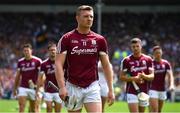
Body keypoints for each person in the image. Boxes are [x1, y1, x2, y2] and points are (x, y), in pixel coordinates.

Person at [55, 5, 115, 113]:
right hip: (72, 86)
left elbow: (106, 66)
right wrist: (62, 87)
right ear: (77, 18)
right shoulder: (66, 39)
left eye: (91, 17)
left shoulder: (100, 40)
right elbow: (58, 64)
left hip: (92, 86)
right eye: (86, 16)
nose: (89, 19)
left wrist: (111, 89)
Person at [119, 38, 154, 113]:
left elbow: (152, 76)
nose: (135, 48)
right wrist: (134, 78)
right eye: (133, 46)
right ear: (131, 47)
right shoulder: (126, 60)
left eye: (137, 46)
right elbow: (121, 77)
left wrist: (144, 76)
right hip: (131, 91)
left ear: (141, 46)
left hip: (144, 91)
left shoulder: (148, 59)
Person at [13, 43, 42, 113]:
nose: (26, 52)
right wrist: (14, 89)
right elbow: (18, 76)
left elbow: (42, 76)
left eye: (27, 50)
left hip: (34, 88)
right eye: (24, 51)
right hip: (23, 87)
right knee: (21, 107)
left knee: (34, 109)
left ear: (31, 51)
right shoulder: (20, 62)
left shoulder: (38, 61)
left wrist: (38, 87)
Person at [36, 42, 62, 113]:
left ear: (57, 50)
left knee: (58, 111)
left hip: (59, 90)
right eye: (51, 50)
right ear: (48, 51)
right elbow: (40, 77)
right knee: (49, 109)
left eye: (54, 50)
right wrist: (37, 90)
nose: (53, 51)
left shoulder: (61, 62)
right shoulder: (44, 64)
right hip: (48, 90)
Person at [149, 46, 175, 113]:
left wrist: (171, 85)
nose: (158, 54)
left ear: (162, 53)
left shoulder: (166, 63)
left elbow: (171, 75)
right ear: (153, 54)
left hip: (162, 89)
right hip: (152, 88)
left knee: (159, 110)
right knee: (155, 110)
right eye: (156, 53)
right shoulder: (150, 63)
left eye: (159, 53)